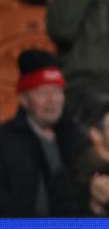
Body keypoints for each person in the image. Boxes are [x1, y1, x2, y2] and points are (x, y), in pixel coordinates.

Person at [0, 50, 76, 217]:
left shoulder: (76, 137)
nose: (52, 100)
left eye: (57, 91)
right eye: (43, 93)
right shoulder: (5, 141)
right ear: (23, 99)